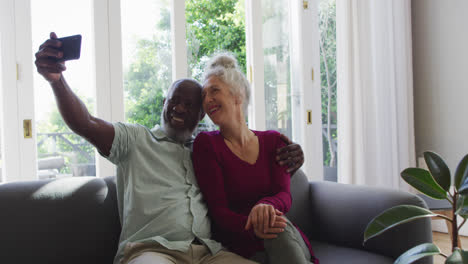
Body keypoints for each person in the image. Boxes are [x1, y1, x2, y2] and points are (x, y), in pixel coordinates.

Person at [34, 32, 305, 264]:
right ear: (164, 102)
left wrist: (293, 157)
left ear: (201, 116)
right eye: (173, 100)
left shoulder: (207, 151)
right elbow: (86, 123)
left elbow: (254, 173)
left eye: (189, 105)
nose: (178, 108)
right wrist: (57, 81)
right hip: (152, 251)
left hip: (207, 253)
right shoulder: (136, 140)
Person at [192, 54, 317, 264]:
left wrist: (265, 206)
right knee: (275, 226)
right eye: (204, 95)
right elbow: (219, 212)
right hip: (241, 241)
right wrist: (257, 223)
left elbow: (284, 195)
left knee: (276, 224)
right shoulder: (207, 145)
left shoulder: (274, 141)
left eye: (214, 90)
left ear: (237, 95)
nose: (207, 100)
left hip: (283, 236)